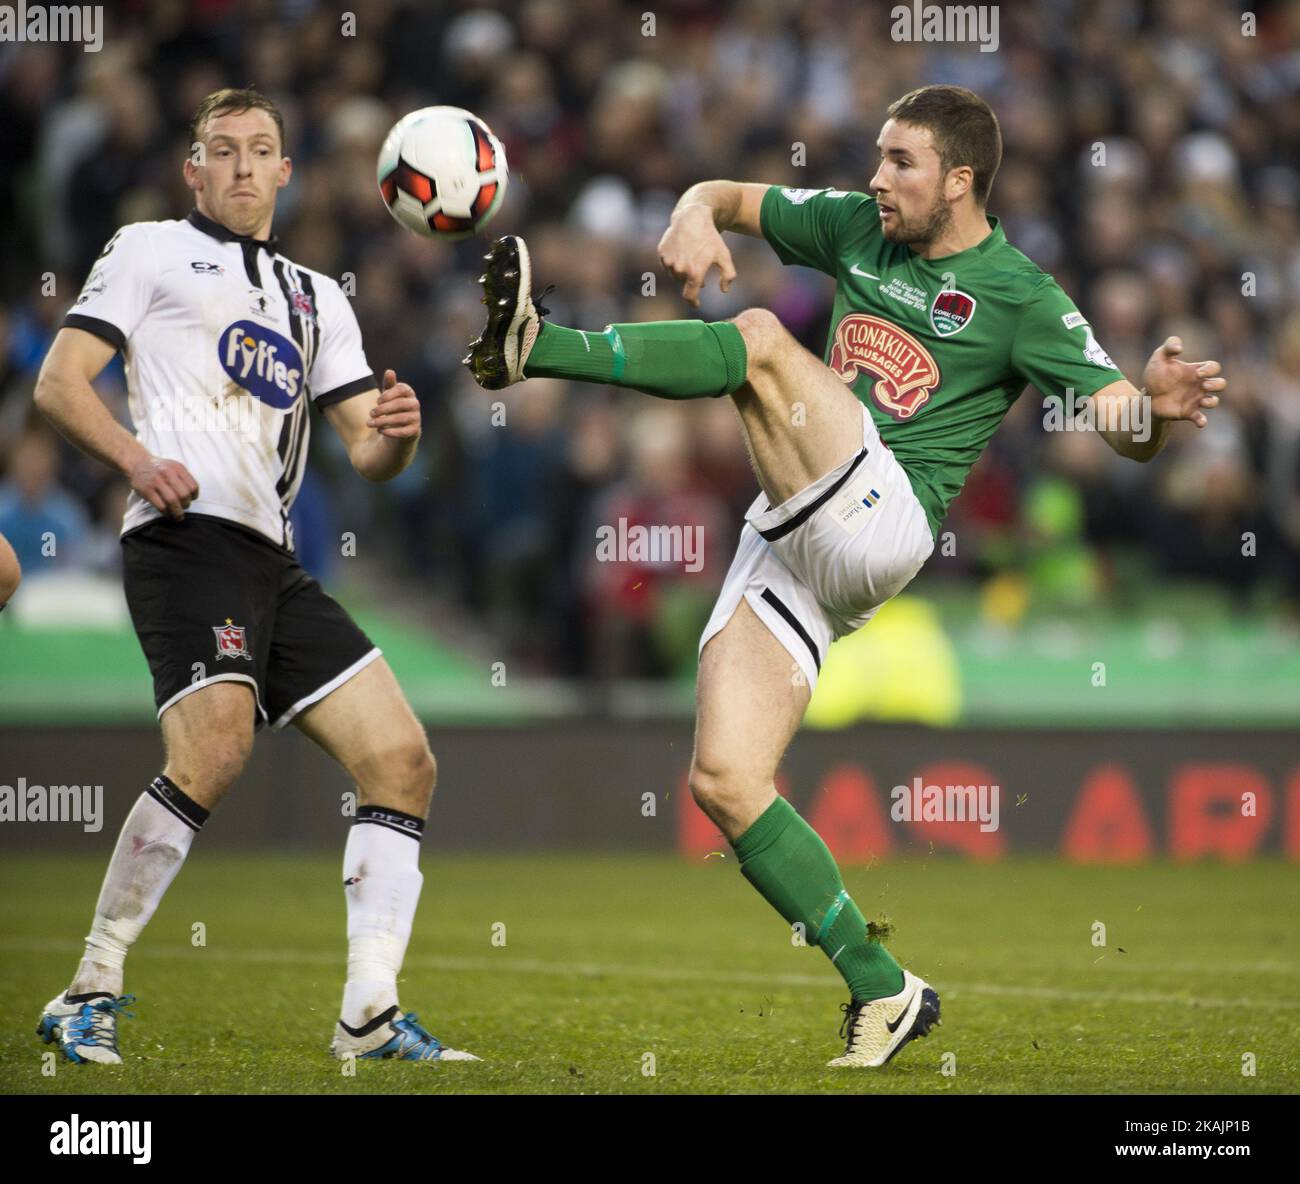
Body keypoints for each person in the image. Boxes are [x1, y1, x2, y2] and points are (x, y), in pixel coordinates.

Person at [465, 84, 1226, 1068]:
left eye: (900, 162)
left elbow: (1117, 422)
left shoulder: (1019, 294)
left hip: (884, 517)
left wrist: (1156, 413)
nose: (876, 178)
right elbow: (727, 194)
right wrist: (693, 210)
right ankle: (884, 985)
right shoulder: (853, 227)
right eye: (877, 156)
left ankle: (540, 347)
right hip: (796, 537)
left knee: (757, 343)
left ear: (960, 180)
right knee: (725, 781)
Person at [32, 88, 477, 1065]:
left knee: (402, 760)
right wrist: (136, 458)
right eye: (221, 150)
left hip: (273, 562)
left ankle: (368, 1009)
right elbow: (60, 383)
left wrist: (397, 440)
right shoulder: (147, 248)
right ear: (193, 170)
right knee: (215, 752)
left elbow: (365, 450)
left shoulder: (321, 299)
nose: (240, 166)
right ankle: (88, 986)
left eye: (260, 150)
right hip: (183, 537)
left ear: (287, 170)